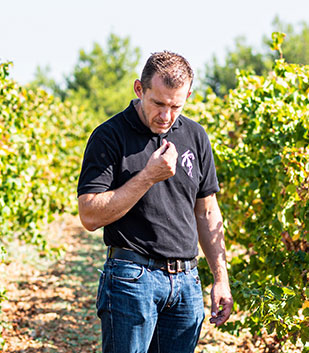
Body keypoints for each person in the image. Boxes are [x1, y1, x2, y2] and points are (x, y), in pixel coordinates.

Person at [77, 51, 233, 353]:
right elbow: (89, 215)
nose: (166, 115)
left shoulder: (196, 135)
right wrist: (147, 176)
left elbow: (207, 211)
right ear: (139, 89)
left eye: (176, 105)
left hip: (187, 283)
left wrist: (220, 278)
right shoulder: (109, 136)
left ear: (188, 95)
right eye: (158, 103)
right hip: (131, 279)